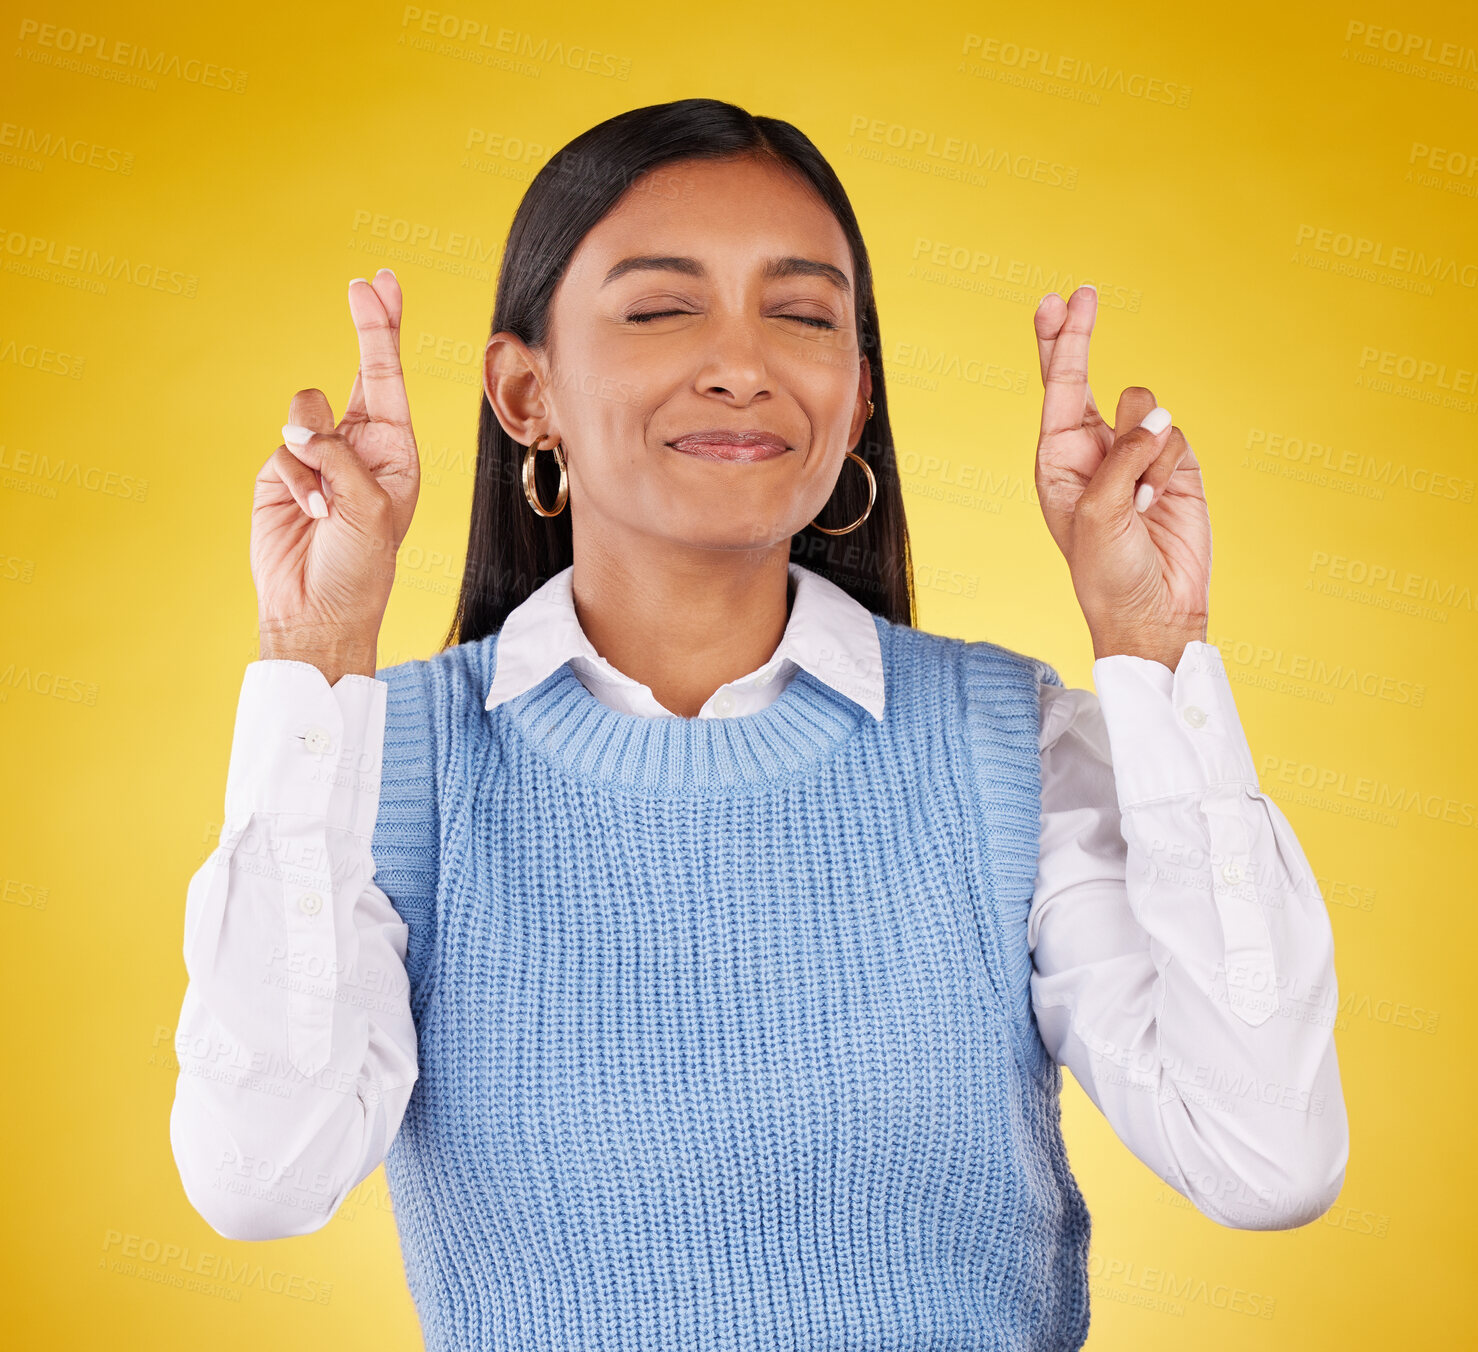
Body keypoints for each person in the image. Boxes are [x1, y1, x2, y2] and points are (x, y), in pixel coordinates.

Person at [169, 98, 1347, 1352]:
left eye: (800, 314)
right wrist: (317, 656)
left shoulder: (1008, 749)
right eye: (661, 306)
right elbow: (263, 1176)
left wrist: (1154, 647)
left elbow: (1262, 1154)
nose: (742, 363)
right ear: (526, 393)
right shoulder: (387, 768)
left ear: (851, 406)